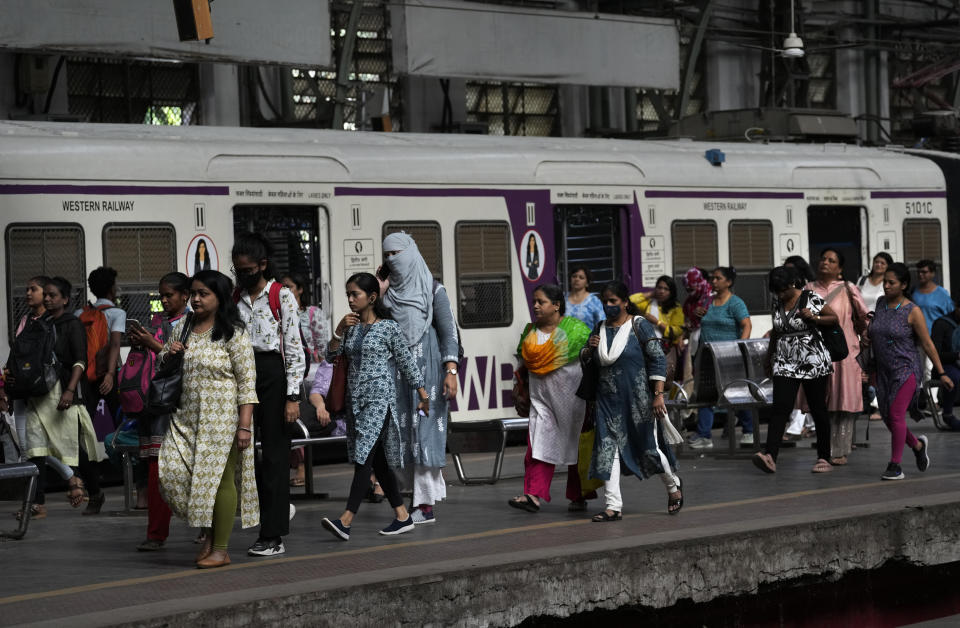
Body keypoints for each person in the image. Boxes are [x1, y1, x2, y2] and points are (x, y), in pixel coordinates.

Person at [158, 270, 259, 568]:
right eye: (194, 293)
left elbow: (247, 383)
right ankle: (210, 536)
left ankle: (220, 548)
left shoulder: (234, 333)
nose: (196, 299)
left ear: (220, 297)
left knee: (219, 481)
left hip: (221, 420)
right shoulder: (184, 327)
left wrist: (244, 426)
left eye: (204, 293)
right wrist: (169, 352)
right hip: (185, 417)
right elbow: (164, 363)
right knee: (172, 472)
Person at [320, 273, 428, 540]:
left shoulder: (388, 328)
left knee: (363, 457)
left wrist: (423, 394)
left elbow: (405, 362)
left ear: (371, 297)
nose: (350, 299)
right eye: (348, 294)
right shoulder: (351, 328)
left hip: (379, 399)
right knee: (377, 461)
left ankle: (346, 520)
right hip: (355, 402)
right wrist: (338, 332)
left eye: (355, 294)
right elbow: (331, 355)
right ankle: (402, 515)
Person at [232, 233, 304, 558]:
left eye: (247, 269)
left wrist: (293, 396)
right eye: (238, 270)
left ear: (262, 265)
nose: (242, 275)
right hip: (243, 376)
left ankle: (273, 536)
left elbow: (293, 347)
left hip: (273, 375)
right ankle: (271, 515)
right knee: (248, 458)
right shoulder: (236, 299)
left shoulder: (282, 296)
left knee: (275, 457)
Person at [584, 281, 682, 520]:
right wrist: (589, 348)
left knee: (649, 449)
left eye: (613, 301)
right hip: (607, 401)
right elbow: (588, 360)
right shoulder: (599, 328)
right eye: (605, 301)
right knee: (608, 450)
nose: (608, 306)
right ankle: (613, 506)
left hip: (638, 401)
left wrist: (658, 395)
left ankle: (673, 487)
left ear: (625, 302)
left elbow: (658, 360)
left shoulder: (639, 326)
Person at [379, 232, 459, 524]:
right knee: (401, 433)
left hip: (429, 372)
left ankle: (424, 504)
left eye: (397, 253)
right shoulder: (385, 295)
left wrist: (451, 371)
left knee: (425, 432)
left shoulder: (434, 290)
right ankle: (413, 500)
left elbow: (449, 332)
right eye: (387, 255)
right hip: (395, 373)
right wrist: (379, 286)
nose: (392, 260)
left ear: (411, 252)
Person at [20, 278, 103, 515]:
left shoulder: (72, 324)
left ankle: (95, 491)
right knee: (35, 449)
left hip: (63, 391)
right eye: (45, 295)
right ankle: (36, 503)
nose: (47, 299)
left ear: (65, 299)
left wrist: (69, 390)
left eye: (52, 295)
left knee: (74, 449)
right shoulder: (39, 323)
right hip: (39, 394)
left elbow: (80, 360)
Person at [865, 263, 953, 480]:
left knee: (895, 416)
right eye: (884, 281)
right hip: (883, 371)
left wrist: (941, 373)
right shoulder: (880, 303)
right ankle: (917, 445)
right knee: (888, 418)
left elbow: (928, 344)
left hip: (906, 371)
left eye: (891, 282)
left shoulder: (913, 311)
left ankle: (895, 465)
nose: (885, 286)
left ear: (903, 285)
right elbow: (877, 332)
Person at [508, 284, 590, 513]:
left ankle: (579, 495)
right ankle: (533, 495)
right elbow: (522, 366)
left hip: (574, 403)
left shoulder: (577, 331)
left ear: (556, 305)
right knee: (537, 446)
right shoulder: (529, 333)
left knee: (575, 447)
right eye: (534, 301)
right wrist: (518, 390)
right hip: (542, 401)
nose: (535, 306)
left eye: (540, 302)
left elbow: (591, 362)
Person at [0, 275, 76, 519]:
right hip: (21, 389)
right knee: (29, 448)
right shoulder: (25, 320)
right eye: (26, 289)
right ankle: (70, 479)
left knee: (32, 449)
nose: (27, 294)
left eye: (33, 289)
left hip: (42, 391)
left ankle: (36, 501)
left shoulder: (51, 322)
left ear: (47, 294)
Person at [126, 272, 191, 551]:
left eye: (169, 295)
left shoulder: (194, 324)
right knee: (155, 470)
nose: (164, 300)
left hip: (185, 405)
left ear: (185, 295)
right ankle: (155, 533)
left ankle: (206, 526)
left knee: (194, 469)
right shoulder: (159, 323)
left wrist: (154, 345)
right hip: (157, 405)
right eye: (161, 295)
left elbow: (190, 362)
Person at [752, 266, 837, 474]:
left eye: (782, 290)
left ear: (792, 284)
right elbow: (776, 332)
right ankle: (770, 455)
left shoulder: (810, 298)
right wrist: (769, 358)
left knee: (817, 408)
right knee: (780, 406)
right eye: (776, 291)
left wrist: (814, 318)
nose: (780, 294)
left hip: (812, 359)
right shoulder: (778, 302)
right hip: (785, 361)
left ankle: (824, 456)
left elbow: (833, 318)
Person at [804, 248, 868, 466]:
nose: (825, 263)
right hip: (815, 352)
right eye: (823, 259)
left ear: (839, 268)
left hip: (844, 352)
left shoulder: (849, 289)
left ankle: (840, 449)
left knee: (844, 400)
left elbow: (863, 318)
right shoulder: (808, 288)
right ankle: (825, 447)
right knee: (822, 401)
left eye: (831, 260)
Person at [689, 267, 753, 449]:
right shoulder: (707, 301)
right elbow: (698, 322)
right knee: (705, 395)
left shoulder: (735, 303)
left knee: (736, 393)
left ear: (729, 282)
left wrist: (740, 347)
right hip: (707, 356)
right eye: (712, 278)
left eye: (718, 278)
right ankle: (704, 435)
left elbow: (746, 325)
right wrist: (697, 315)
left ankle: (749, 431)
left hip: (728, 357)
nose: (713, 281)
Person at [281, 271, 330, 488]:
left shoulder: (312, 313)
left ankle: (301, 466)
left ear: (300, 289)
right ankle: (297, 464)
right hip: (290, 373)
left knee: (301, 415)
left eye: (289, 286)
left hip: (310, 373)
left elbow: (322, 345)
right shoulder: (280, 312)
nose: (286, 291)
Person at [630, 275, 685, 383]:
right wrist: (650, 294)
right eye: (659, 288)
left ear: (671, 292)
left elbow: (677, 331)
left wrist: (657, 322)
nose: (661, 291)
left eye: (666, 289)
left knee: (666, 377)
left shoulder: (676, 308)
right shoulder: (650, 303)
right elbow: (630, 301)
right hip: (647, 346)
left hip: (667, 349)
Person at [930, 295, 960, 430]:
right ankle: (947, 414)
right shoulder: (942, 324)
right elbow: (935, 353)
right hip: (943, 366)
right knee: (954, 377)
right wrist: (957, 355)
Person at [911, 260, 953, 335]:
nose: (920, 274)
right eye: (918, 272)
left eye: (924, 272)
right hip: (917, 339)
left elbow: (951, 316)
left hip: (936, 338)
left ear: (932, 273)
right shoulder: (913, 292)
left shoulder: (942, 294)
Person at [565, 266, 604, 331]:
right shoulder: (562, 300)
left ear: (587, 283)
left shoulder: (594, 301)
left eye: (581, 278)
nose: (577, 279)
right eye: (574, 276)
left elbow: (602, 324)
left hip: (589, 340)